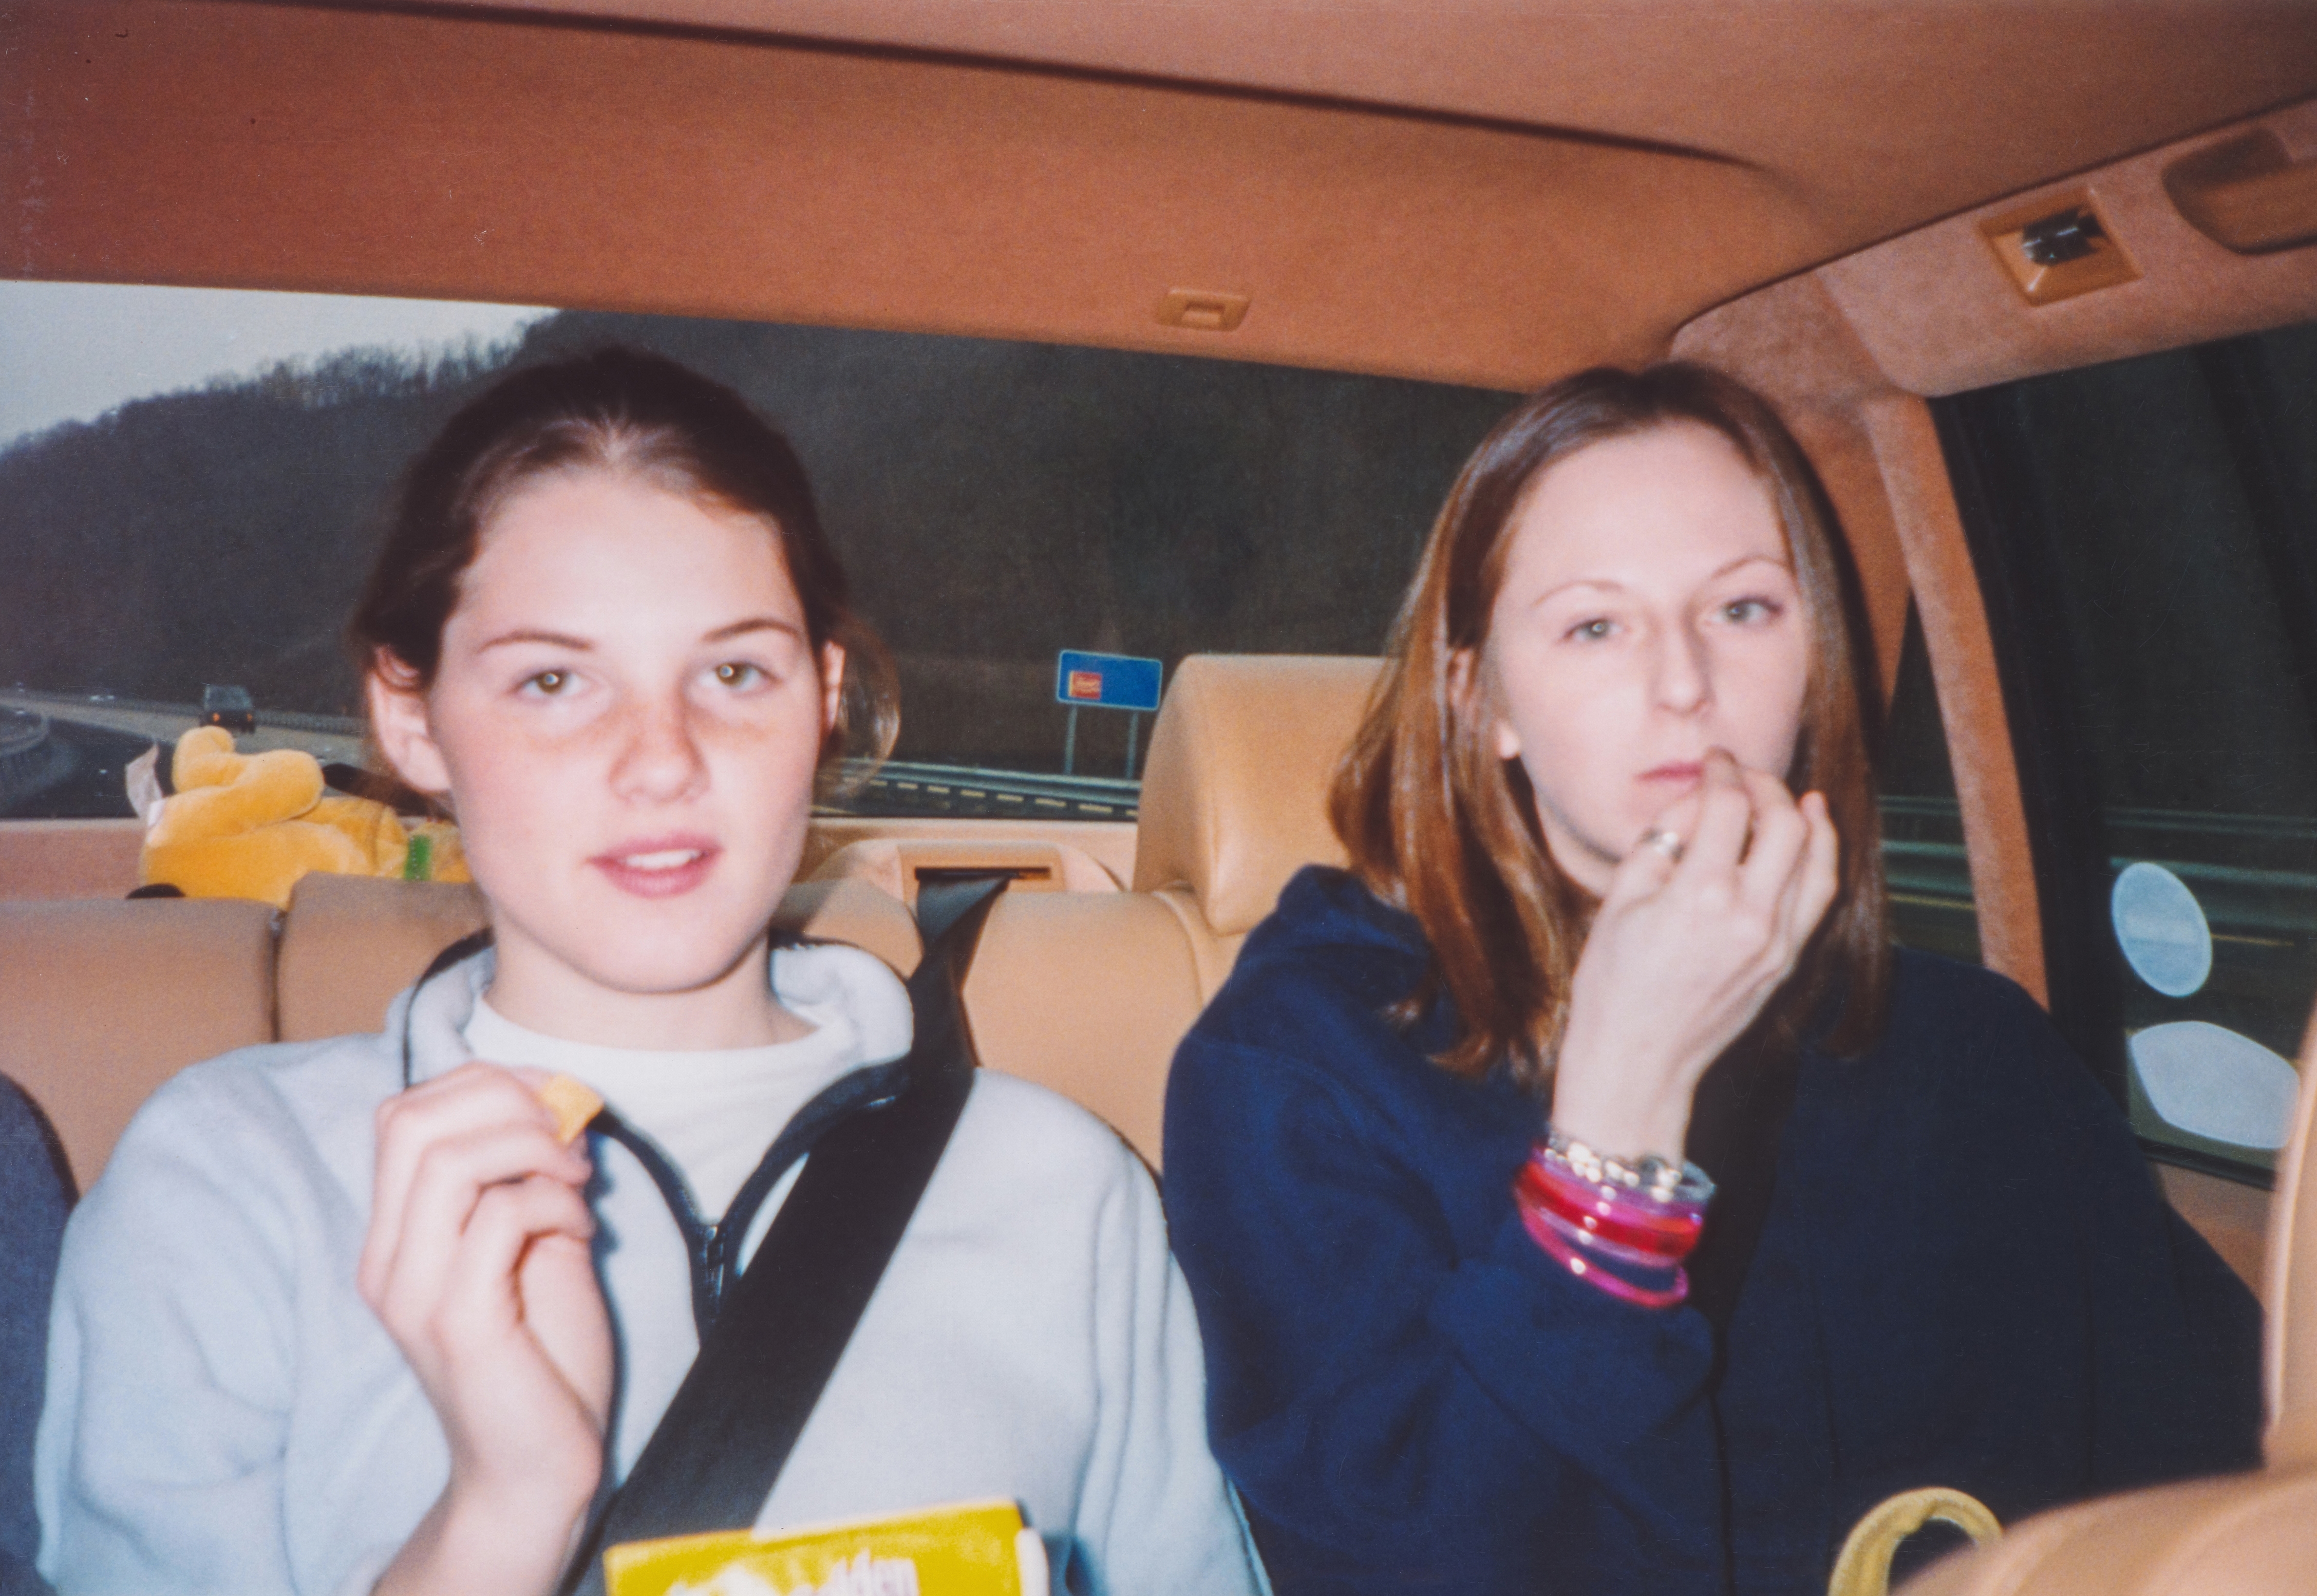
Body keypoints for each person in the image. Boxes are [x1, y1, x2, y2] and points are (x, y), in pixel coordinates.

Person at [36, 348, 1264, 1596]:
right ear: (411, 718)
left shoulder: (1068, 1188)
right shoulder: (229, 1187)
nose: (662, 760)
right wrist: (504, 1513)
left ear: (824, 698)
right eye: (555, 681)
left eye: (734, 672)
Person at [1160, 363, 2264, 1596]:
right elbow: (1408, 1560)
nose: (1685, 681)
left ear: (1816, 655)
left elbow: (2217, 1476)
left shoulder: (1982, 1053)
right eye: (1595, 625)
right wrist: (1618, 1125)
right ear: (1483, 706)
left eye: (1743, 609)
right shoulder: (1298, 1069)